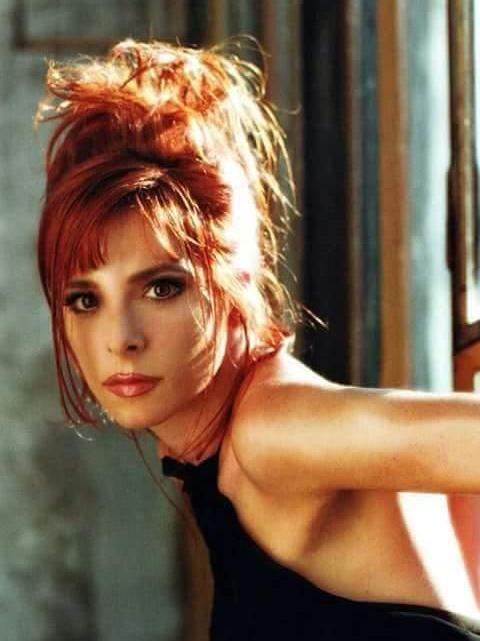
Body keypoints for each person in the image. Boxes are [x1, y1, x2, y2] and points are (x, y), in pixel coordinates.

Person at [36, 38, 480, 640]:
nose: (121, 338)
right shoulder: (227, 454)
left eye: (162, 288)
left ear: (234, 280)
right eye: (85, 300)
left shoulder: (272, 432)